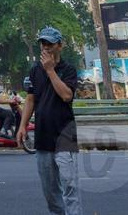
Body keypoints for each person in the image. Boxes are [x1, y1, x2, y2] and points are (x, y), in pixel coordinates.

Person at [17, 26, 81, 215]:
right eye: (43, 44)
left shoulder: (68, 70)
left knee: (70, 189)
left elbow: (67, 95)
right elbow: (30, 99)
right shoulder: (35, 70)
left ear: (60, 46)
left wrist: (51, 71)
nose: (45, 48)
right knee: (50, 192)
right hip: (43, 137)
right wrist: (22, 126)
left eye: (50, 44)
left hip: (65, 138)